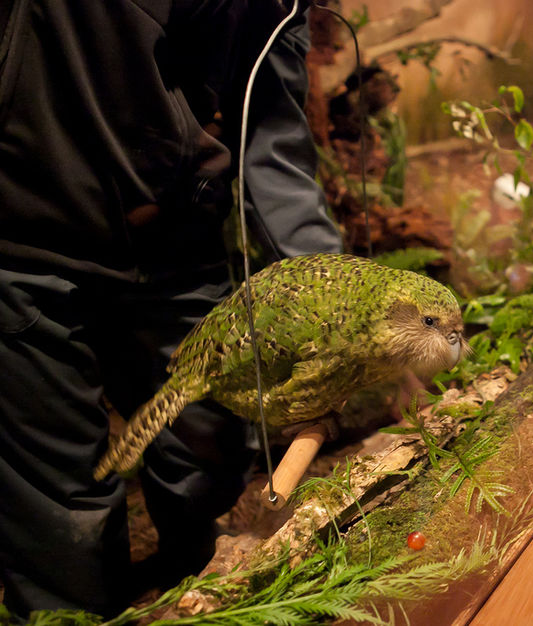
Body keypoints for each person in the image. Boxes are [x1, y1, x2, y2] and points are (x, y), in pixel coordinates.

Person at [0, 1, 341, 619]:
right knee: (60, 510)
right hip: (25, 242)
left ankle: (205, 587)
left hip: (175, 247)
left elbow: (274, 144)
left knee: (206, 455)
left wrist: (342, 306)